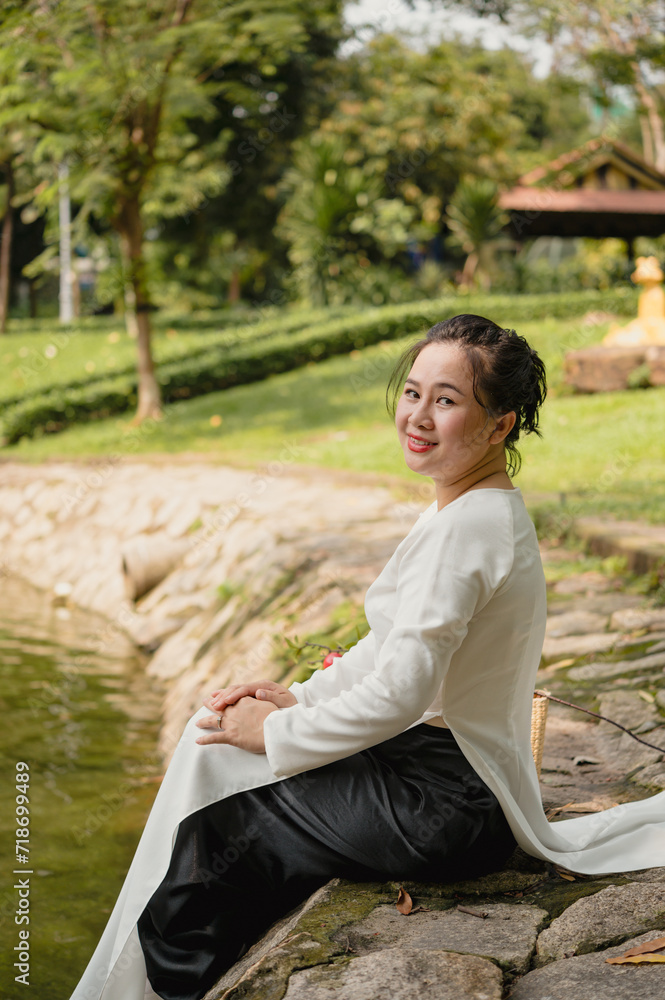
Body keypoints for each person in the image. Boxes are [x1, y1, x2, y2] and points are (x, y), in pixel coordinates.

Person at [70, 314, 665, 1000]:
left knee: (222, 809)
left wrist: (271, 732)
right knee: (214, 761)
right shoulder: (466, 506)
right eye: (412, 392)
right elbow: (387, 650)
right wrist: (298, 699)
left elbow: (401, 695)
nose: (416, 415)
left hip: (443, 803)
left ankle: (159, 984)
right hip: (438, 775)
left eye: (445, 400)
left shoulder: (467, 530)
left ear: (498, 425)